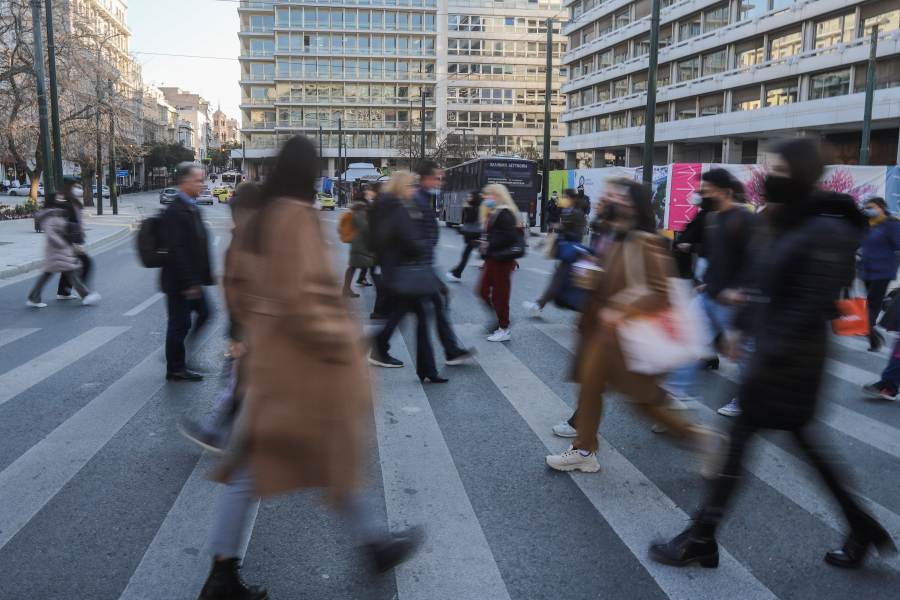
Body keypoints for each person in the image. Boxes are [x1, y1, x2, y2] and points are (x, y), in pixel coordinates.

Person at [650, 138, 896, 570]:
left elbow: (807, 304)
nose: (771, 177)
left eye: (780, 170)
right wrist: (744, 327)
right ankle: (862, 527)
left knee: (744, 442)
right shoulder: (789, 219)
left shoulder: (826, 228)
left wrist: (762, 347)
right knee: (803, 447)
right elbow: (765, 284)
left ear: (801, 173)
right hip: (779, 351)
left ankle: (702, 536)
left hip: (792, 359)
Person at [197, 137, 417, 600]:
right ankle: (372, 546)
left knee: (271, 462)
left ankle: (370, 545)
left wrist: (256, 325)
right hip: (306, 364)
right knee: (331, 451)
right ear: (309, 173)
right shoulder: (297, 217)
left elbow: (234, 283)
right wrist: (343, 345)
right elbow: (309, 296)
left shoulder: (258, 219)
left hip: (271, 361)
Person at [544, 179, 725, 475]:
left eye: (619, 197)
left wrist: (621, 309)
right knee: (589, 386)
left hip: (629, 338)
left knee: (645, 403)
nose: (610, 199)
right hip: (602, 335)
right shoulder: (613, 234)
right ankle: (583, 450)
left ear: (634, 206)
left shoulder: (645, 241)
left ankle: (704, 439)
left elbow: (660, 293)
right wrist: (594, 277)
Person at [665, 169, 762, 416]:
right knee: (690, 338)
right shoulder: (714, 218)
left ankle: (747, 401)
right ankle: (676, 394)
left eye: (707, 192)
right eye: (702, 191)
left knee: (744, 354)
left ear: (726, 192)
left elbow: (757, 260)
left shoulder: (745, 219)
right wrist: (707, 283)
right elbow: (717, 258)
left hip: (732, 302)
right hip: (710, 295)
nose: (703, 196)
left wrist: (740, 290)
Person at [178, 183, 262, 452]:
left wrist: (237, 332)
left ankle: (215, 434)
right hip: (262, 323)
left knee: (235, 380)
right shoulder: (259, 233)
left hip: (252, 324)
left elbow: (243, 286)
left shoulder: (246, 238)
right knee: (241, 380)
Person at [370, 170, 473, 379]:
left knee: (414, 316)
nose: (413, 189)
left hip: (403, 270)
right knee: (418, 316)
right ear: (402, 186)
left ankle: (426, 368)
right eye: (410, 185)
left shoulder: (388, 205)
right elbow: (407, 240)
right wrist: (423, 244)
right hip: (407, 270)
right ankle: (383, 349)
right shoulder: (399, 208)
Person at [161, 162, 213, 382]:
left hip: (192, 279)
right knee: (179, 325)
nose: (202, 184)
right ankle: (175, 367)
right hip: (180, 282)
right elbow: (177, 250)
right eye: (197, 180)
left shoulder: (191, 206)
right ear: (184, 182)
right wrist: (190, 282)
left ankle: (180, 354)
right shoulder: (176, 210)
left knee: (205, 314)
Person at [26, 193, 100, 308]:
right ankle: (86, 295)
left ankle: (33, 298)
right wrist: (63, 244)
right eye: (58, 197)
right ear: (52, 200)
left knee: (59, 272)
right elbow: (50, 233)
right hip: (55, 249)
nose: (60, 199)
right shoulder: (49, 215)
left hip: (59, 249)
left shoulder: (55, 212)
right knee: (68, 271)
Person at [523, 189, 586, 315]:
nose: (563, 199)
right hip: (565, 252)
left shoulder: (576, 214)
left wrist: (561, 229)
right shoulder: (566, 211)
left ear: (571, 199)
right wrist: (542, 243)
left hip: (572, 252)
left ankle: (540, 304)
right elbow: (556, 234)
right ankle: (540, 304)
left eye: (565, 197)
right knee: (561, 281)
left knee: (558, 281)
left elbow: (578, 236)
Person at [477, 184, 521, 342]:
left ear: (500, 196)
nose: (487, 197)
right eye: (487, 194)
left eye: (491, 194)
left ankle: (504, 329)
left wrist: (489, 243)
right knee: (482, 291)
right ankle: (499, 320)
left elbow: (509, 236)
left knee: (500, 296)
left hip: (502, 260)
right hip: (493, 259)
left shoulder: (504, 213)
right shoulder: (494, 212)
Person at [857, 196, 900, 351]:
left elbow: (898, 244)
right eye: (866, 207)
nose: (868, 210)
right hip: (867, 270)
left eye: (872, 207)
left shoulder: (891, 224)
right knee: (872, 304)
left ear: (882, 208)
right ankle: (873, 333)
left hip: (883, 271)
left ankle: (872, 335)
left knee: (872, 304)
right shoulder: (868, 224)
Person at [56, 178, 92, 300]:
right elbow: (68, 225)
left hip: (71, 240)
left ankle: (64, 292)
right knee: (86, 262)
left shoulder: (72, 202)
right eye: (75, 187)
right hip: (69, 241)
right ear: (70, 188)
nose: (78, 190)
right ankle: (82, 290)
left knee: (69, 266)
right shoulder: (66, 204)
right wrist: (74, 245)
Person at [342, 191, 375, 298]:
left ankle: (346, 289)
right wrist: (372, 236)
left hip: (357, 243)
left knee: (353, 266)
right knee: (359, 264)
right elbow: (364, 226)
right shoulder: (361, 211)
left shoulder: (356, 210)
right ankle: (347, 288)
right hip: (360, 243)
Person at [446, 191, 483, 282]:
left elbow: (471, 220)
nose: (469, 198)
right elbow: (468, 223)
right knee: (466, 254)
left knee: (465, 254)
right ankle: (457, 272)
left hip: (475, 235)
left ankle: (457, 273)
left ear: (475, 198)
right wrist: (461, 231)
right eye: (468, 196)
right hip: (474, 234)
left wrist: (466, 208)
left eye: (471, 197)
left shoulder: (477, 208)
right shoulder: (474, 207)